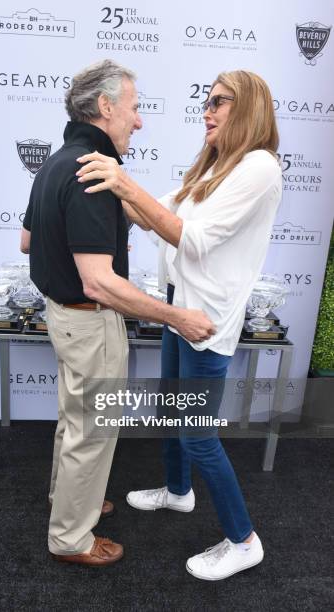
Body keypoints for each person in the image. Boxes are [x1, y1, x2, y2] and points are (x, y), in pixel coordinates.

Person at [75, 69, 282, 579]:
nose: (206, 111)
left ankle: (244, 539)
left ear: (249, 106)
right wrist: (101, 188)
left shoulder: (258, 167)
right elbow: (154, 215)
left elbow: (191, 239)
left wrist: (122, 180)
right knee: (173, 408)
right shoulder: (212, 166)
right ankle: (178, 491)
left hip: (206, 319)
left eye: (218, 101)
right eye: (206, 102)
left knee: (196, 435)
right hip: (179, 302)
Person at [20, 59, 214, 568]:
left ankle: (71, 501)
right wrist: (179, 318)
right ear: (105, 108)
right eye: (135, 108)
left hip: (63, 318)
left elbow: (27, 241)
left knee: (74, 422)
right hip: (89, 321)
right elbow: (99, 281)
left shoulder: (57, 162)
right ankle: (71, 538)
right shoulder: (91, 172)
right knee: (94, 429)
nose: (140, 121)